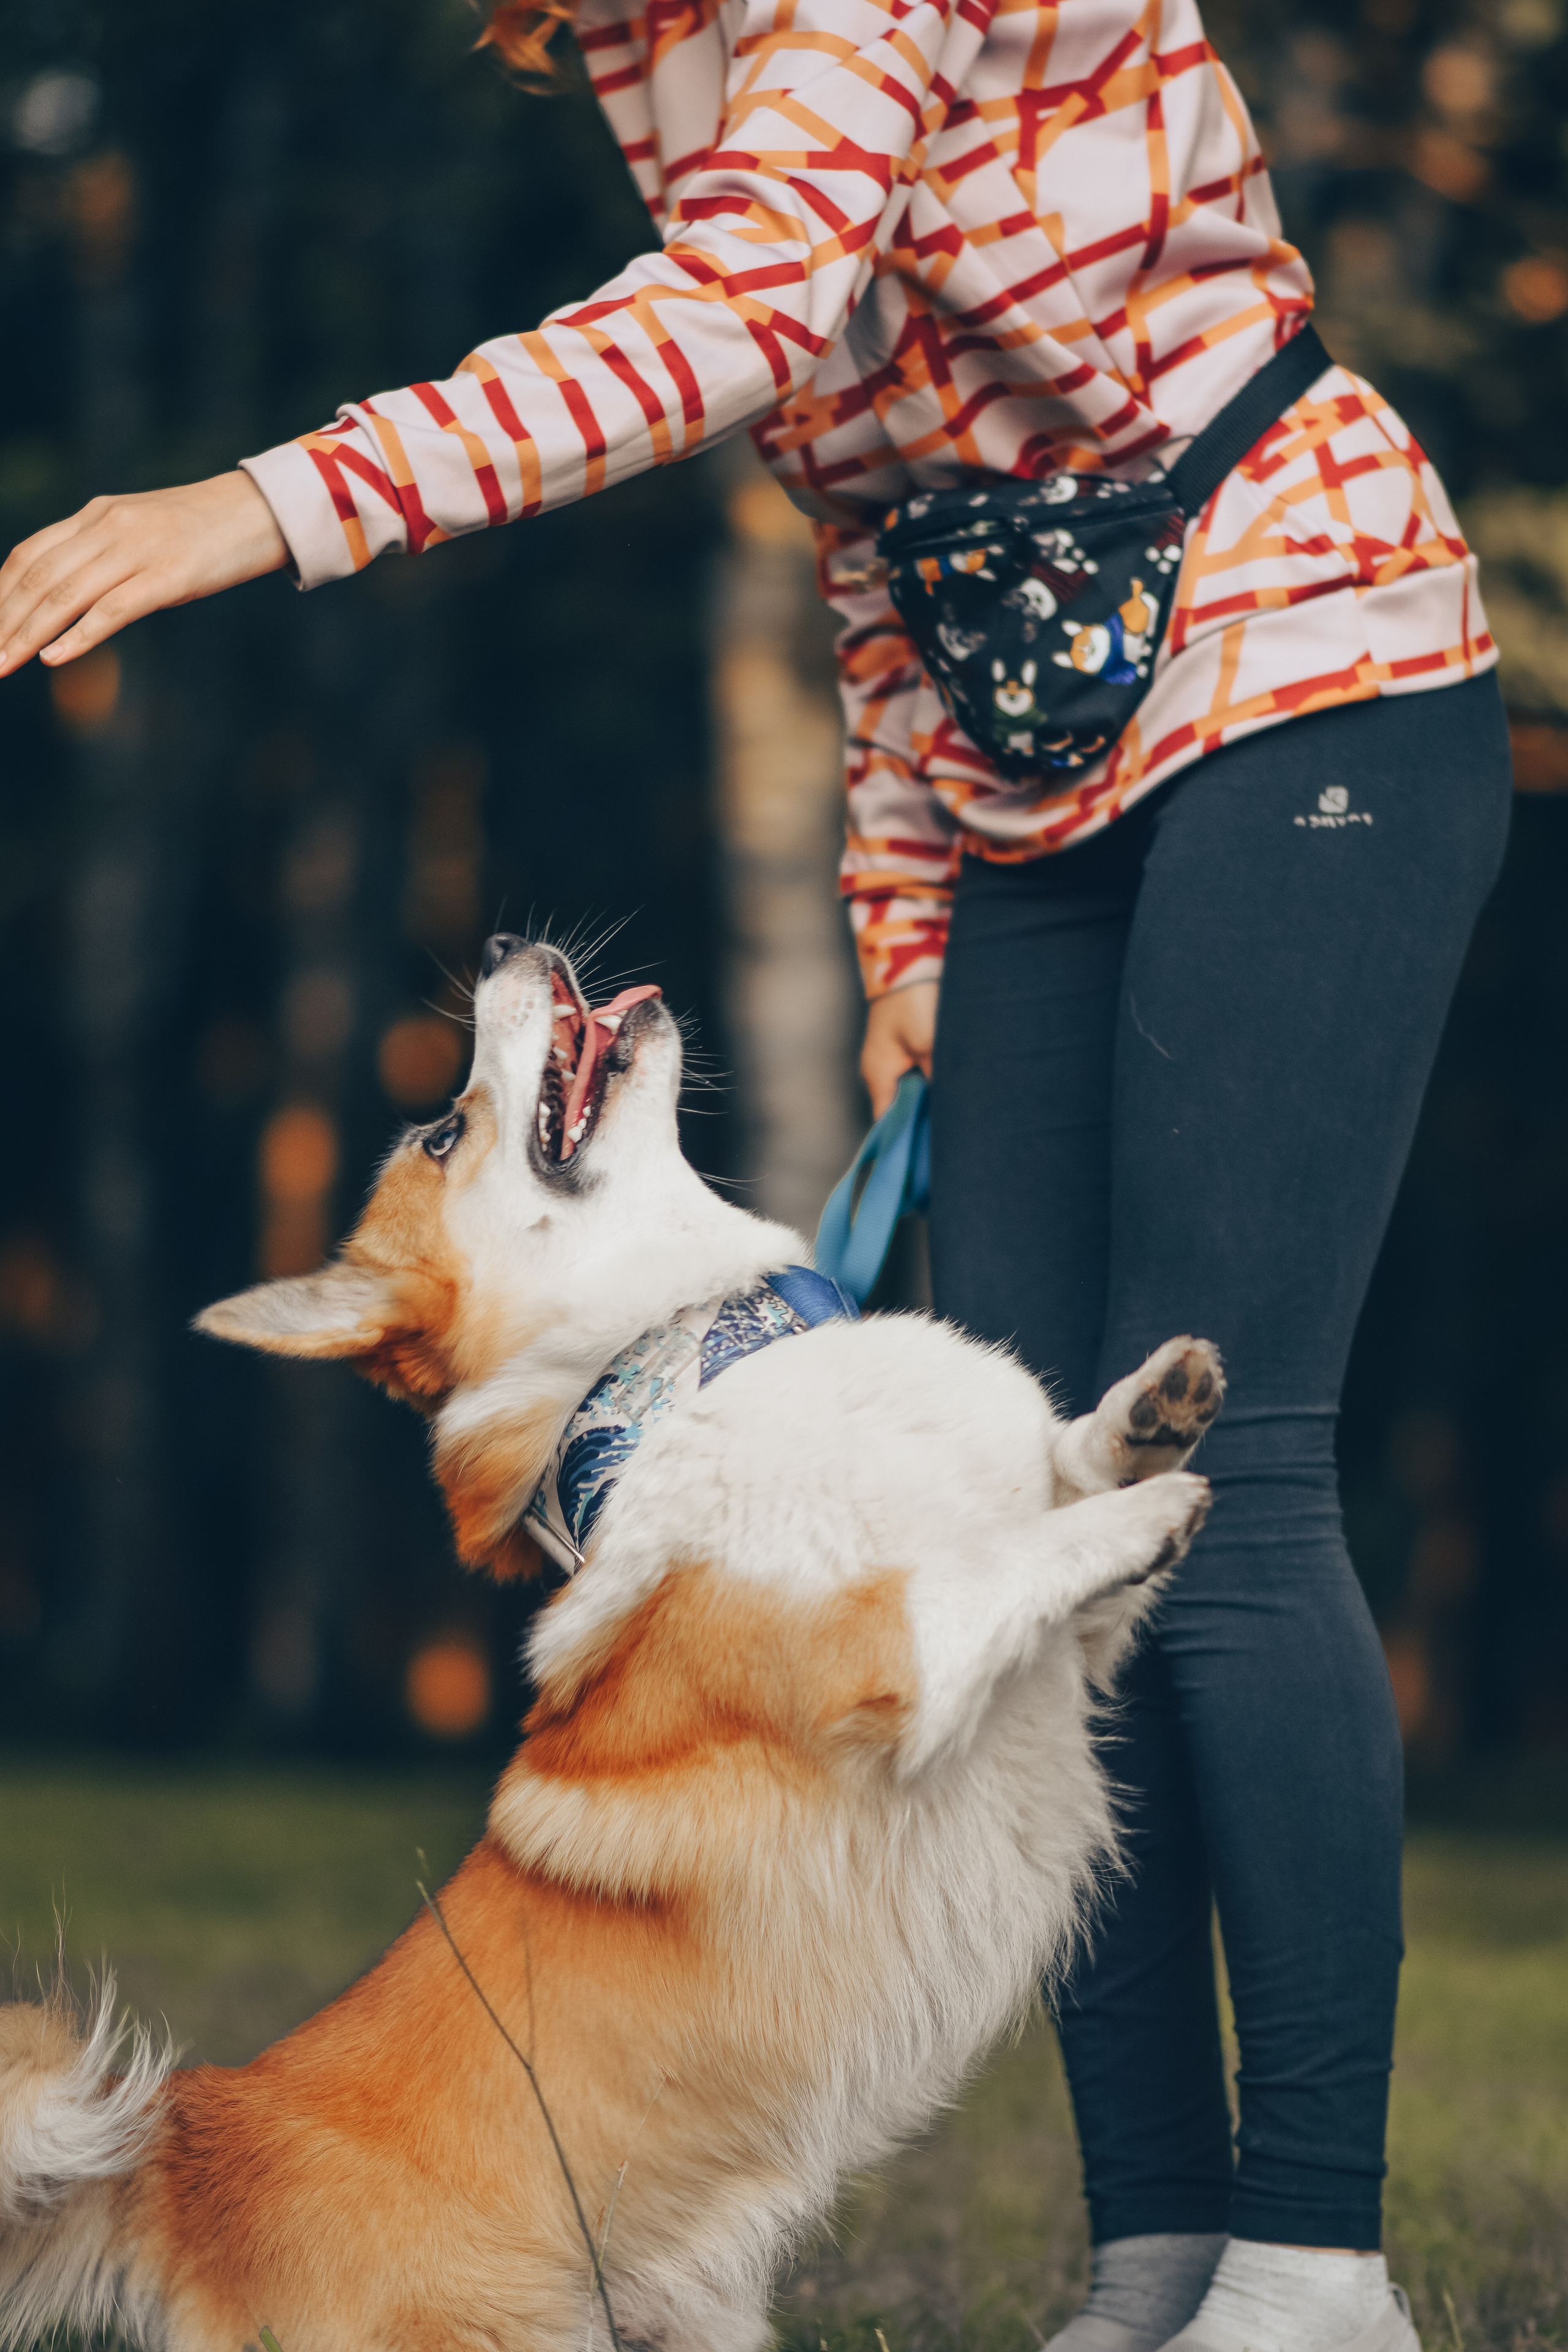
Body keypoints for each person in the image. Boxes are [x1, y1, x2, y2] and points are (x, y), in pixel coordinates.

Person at [0, 3, 1510, 2349]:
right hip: (1033, 789)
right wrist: (911, 925)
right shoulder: (642, 41)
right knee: (1026, 1473)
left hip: (1303, 655)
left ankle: (1313, 2263)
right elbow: (878, 501)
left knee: (1246, 1461)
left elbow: (735, 323)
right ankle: (1157, 2255)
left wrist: (258, 504)